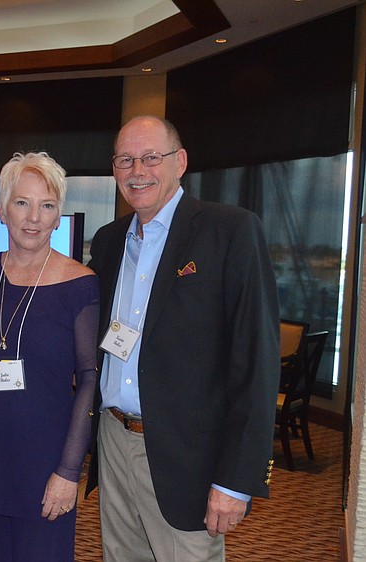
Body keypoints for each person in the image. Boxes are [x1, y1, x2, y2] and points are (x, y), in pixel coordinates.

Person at [86, 116, 280, 561]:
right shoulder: (110, 241)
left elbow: (257, 363)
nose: (138, 170)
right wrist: (1, 267)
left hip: (189, 456)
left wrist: (235, 480)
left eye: (151, 157)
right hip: (114, 442)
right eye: (125, 159)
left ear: (181, 162)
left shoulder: (231, 231)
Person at [0, 152, 99, 561]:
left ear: (58, 216)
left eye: (46, 206)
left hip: (44, 466)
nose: (33, 217)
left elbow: (89, 378)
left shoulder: (81, 285)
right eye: (22, 203)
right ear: (1, 211)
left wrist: (70, 471)